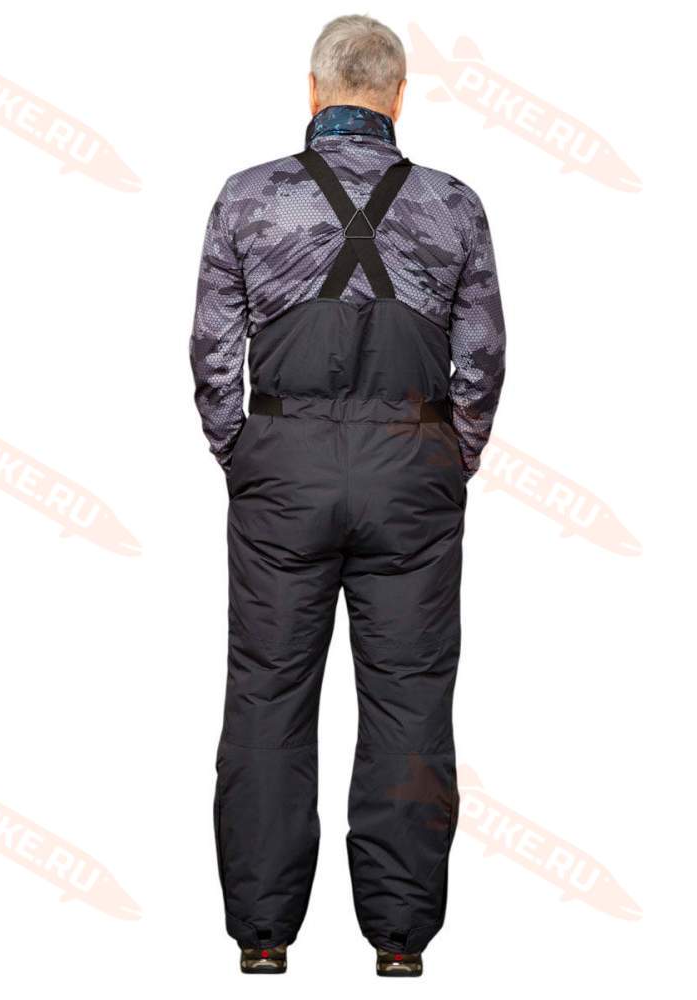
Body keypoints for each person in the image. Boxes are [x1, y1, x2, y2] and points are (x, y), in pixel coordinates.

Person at [190, 13, 505, 977]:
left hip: (282, 476)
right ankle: (400, 942)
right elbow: (483, 359)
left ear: (315, 91)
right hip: (413, 475)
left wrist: (246, 454)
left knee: (268, 694)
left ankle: (263, 934)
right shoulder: (454, 206)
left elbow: (212, 351)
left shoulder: (249, 198)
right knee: (411, 699)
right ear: (399, 96)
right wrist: (449, 457)